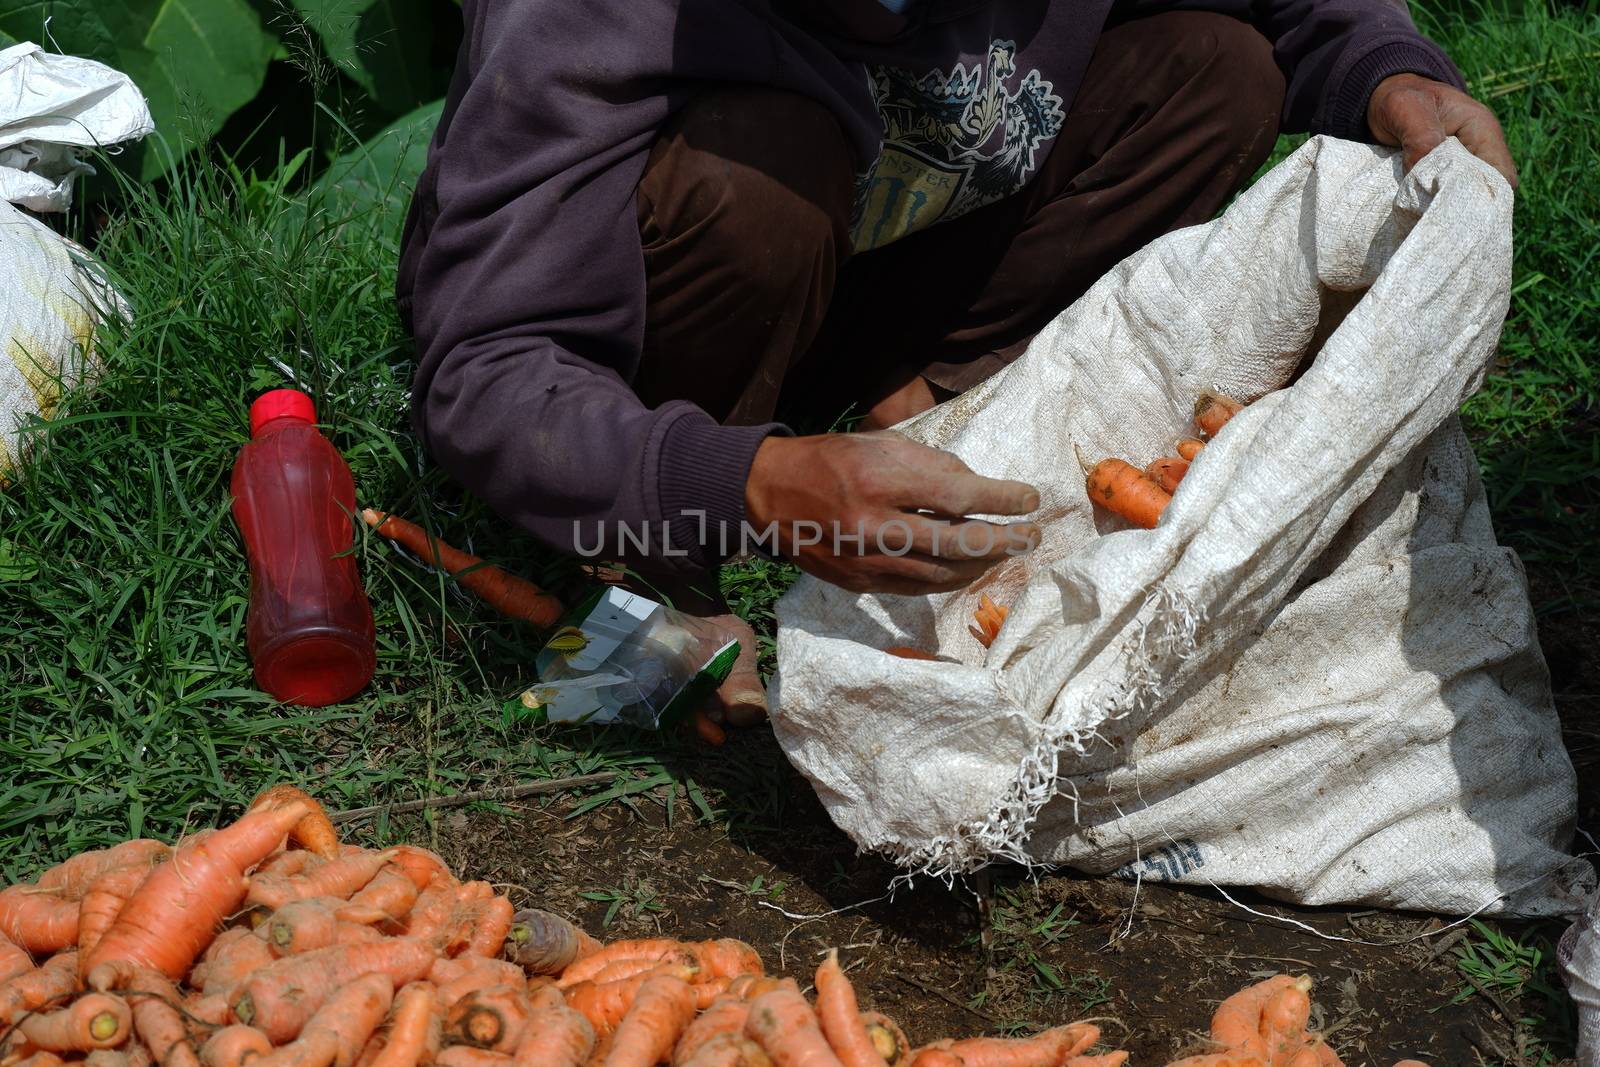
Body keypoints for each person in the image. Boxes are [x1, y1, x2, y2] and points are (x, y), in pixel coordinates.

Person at [396, 0, 1516, 722]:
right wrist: (744, 482)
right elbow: (484, 367)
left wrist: (1387, 69)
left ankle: (930, 413)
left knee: (1217, 69)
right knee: (761, 176)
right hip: (678, 302)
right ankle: (648, 561)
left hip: (883, 253)